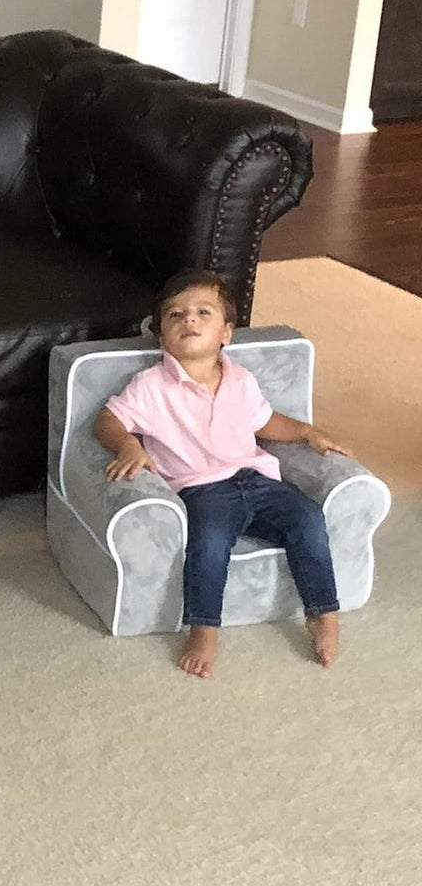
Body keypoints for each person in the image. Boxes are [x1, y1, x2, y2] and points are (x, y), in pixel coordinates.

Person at [93, 270, 348, 678]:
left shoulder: (241, 379)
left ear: (226, 333)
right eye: (175, 315)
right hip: (202, 490)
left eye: (202, 313)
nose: (189, 320)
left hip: (258, 479)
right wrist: (128, 445)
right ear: (161, 337)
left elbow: (264, 422)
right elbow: (107, 420)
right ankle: (205, 629)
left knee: (308, 519)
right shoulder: (151, 385)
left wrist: (305, 431)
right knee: (209, 543)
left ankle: (322, 613)